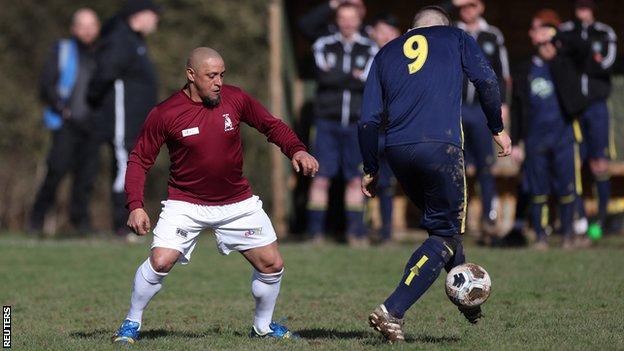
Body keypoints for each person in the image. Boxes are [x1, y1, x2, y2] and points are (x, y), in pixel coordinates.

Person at [111, 47, 319, 344]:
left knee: (272, 264)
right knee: (160, 261)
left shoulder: (236, 99)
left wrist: (296, 148)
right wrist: (135, 206)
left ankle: (262, 326)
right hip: (186, 203)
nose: (219, 82)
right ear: (191, 75)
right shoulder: (165, 113)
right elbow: (139, 160)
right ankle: (131, 322)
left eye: (222, 75)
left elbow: (270, 126)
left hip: (237, 203)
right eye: (211, 76)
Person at [358, 6, 511, 342]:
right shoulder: (456, 37)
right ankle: (392, 310)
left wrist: (370, 167)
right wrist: (497, 128)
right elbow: (486, 79)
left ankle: (468, 302)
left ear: (413, 30)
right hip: (440, 147)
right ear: (443, 26)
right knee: (443, 234)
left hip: (397, 150)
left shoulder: (385, 52)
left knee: (443, 228)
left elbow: (368, 120)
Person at [87, 0, 161, 238]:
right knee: (125, 167)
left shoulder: (135, 42)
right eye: (153, 15)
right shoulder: (121, 40)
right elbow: (104, 75)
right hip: (122, 122)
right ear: (139, 15)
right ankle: (122, 224)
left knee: (130, 166)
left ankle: (125, 223)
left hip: (135, 121)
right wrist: (94, 100)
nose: (156, 21)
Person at [510, 10, 583, 250]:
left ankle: (568, 235)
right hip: (535, 138)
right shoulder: (526, 69)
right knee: (538, 188)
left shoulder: (564, 63)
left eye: (547, 34)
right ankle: (540, 236)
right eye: (538, 34)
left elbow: (579, 48)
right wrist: (517, 141)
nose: (543, 40)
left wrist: (557, 43)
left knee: (566, 187)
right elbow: (518, 108)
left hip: (562, 136)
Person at [307, 3, 378, 246]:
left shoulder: (369, 47)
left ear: (359, 20)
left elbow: (368, 81)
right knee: (320, 178)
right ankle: (314, 232)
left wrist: (337, 76)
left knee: (355, 180)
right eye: (343, 18)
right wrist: (351, 76)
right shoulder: (324, 44)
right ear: (337, 20)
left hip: (356, 125)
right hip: (326, 122)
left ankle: (356, 233)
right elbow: (323, 77)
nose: (347, 23)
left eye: (352, 18)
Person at [30, 8, 100, 235]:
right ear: (74, 28)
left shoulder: (103, 54)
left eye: (92, 25)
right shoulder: (62, 50)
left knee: (86, 178)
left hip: (92, 126)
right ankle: (36, 221)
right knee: (56, 172)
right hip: (65, 124)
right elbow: (46, 85)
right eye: (83, 25)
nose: (88, 30)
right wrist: (62, 109)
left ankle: (81, 225)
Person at [559, 0, 617, 239]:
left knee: (599, 163)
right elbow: (563, 61)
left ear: (593, 9)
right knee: (575, 163)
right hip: (574, 109)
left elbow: (605, 62)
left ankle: (602, 219)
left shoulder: (604, 32)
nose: (582, 11)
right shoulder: (566, 30)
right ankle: (579, 217)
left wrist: (585, 57)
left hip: (596, 106)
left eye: (586, 7)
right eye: (578, 7)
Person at [456, 0, 510, 241]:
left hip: (481, 109)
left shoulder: (492, 34)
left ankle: (488, 217)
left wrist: (503, 104)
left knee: (485, 166)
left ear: (481, 7)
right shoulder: (452, 31)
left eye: (472, 4)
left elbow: (503, 73)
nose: (468, 10)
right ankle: (459, 218)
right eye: (463, 5)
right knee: (458, 165)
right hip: (456, 108)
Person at [369, 13, 401, 244]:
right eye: (380, 32)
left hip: (393, 131)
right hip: (369, 131)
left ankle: (387, 231)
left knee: (387, 184)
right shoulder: (365, 55)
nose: (384, 36)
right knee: (365, 179)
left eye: (388, 32)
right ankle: (360, 230)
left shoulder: (404, 58)